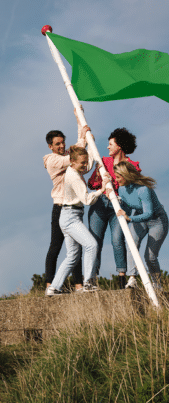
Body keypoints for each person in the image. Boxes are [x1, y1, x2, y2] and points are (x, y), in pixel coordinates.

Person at [46, 146, 107, 295]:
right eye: (82, 163)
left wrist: (91, 150)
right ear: (72, 162)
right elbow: (86, 199)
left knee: (72, 256)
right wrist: (102, 189)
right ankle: (87, 283)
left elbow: (88, 165)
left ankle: (53, 288)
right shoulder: (73, 176)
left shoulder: (74, 170)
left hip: (70, 216)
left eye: (86, 162)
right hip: (71, 217)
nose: (85, 165)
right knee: (91, 245)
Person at [87, 128, 140, 288]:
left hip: (120, 204)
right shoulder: (103, 162)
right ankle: (92, 279)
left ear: (120, 146)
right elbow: (91, 184)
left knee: (118, 239)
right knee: (94, 241)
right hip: (101, 203)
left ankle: (122, 278)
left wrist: (116, 182)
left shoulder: (132, 166)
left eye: (111, 144)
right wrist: (101, 179)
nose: (108, 147)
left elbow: (134, 190)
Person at [43, 109, 89, 292]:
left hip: (74, 207)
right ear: (50, 146)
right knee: (56, 246)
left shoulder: (67, 156)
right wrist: (82, 137)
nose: (61, 146)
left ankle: (78, 285)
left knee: (75, 248)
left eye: (63, 143)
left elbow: (79, 146)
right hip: (60, 207)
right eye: (57, 144)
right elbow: (76, 153)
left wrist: (80, 120)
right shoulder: (52, 160)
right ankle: (49, 284)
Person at [106, 162, 168, 290]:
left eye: (118, 177)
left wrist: (130, 218)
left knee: (150, 257)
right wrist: (114, 199)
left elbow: (149, 213)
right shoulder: (122, 189)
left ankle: (157, 285)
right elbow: (127, 204)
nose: (116, 180)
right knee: (131, 244)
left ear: (126, 175)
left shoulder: (143, 189)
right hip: (139, 217)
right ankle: (132, 278)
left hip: (157, 220)